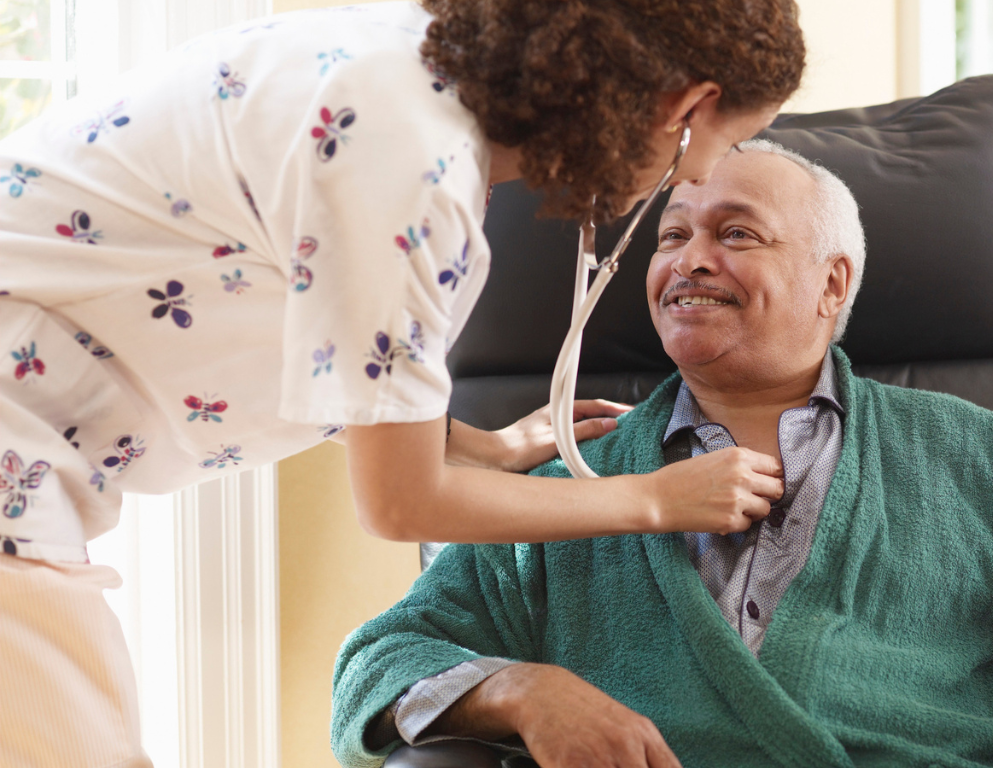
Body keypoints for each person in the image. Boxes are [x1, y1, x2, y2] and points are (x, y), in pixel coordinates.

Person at [0, 1, 805, 765]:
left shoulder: (406, 67)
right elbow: (399, 504)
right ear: (684, 106)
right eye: (716, 148)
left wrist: (474, 447)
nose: (690, 179)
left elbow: (334, 346)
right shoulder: (412, 167)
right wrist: (655, 498)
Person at [331, 142, 993, 768]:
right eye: (673, 234)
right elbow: (378, 661)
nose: (687, 260)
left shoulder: (976, 457)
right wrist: (522, 692)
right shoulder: (574, 484)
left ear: (831, 283)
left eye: (736, 234)